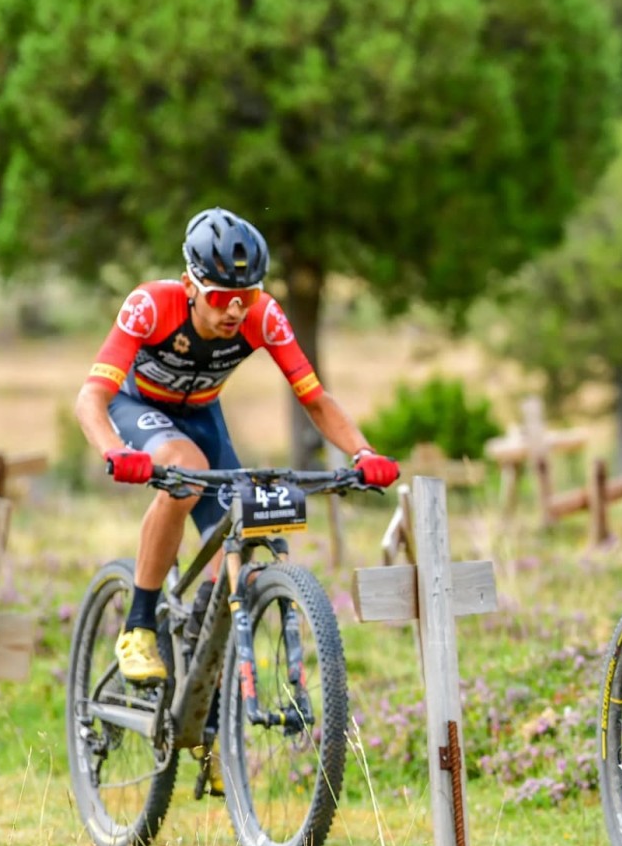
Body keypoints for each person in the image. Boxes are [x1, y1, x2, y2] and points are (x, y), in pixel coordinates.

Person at [75, 207, 400, 685]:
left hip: (203, 415)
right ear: (190, 285)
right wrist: (113, 450)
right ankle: (139, 626)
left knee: (244, 530)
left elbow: (315, 400)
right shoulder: (151, 305)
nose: (235, 310)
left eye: (246, 295)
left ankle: (205, 684)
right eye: (222, 296)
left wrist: (364, 454)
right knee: (185, 472)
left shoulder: (263, 316)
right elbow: (91, 397)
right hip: (136, 406)